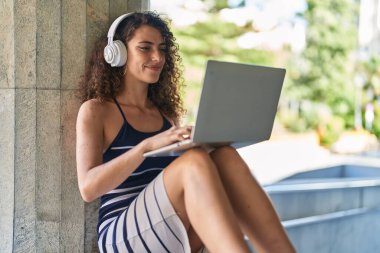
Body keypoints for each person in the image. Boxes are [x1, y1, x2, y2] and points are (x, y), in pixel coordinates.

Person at [76, 11, 295, 253]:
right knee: (193, 162)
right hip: (124, 236)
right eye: (145, 48)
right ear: (117, 53)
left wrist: (208, 141)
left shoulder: (165, 115)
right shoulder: (97, 110)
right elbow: (88, 188)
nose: (157, 57)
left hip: (173, 228)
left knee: (224, 156)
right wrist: (146, 147)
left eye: (162, 48)